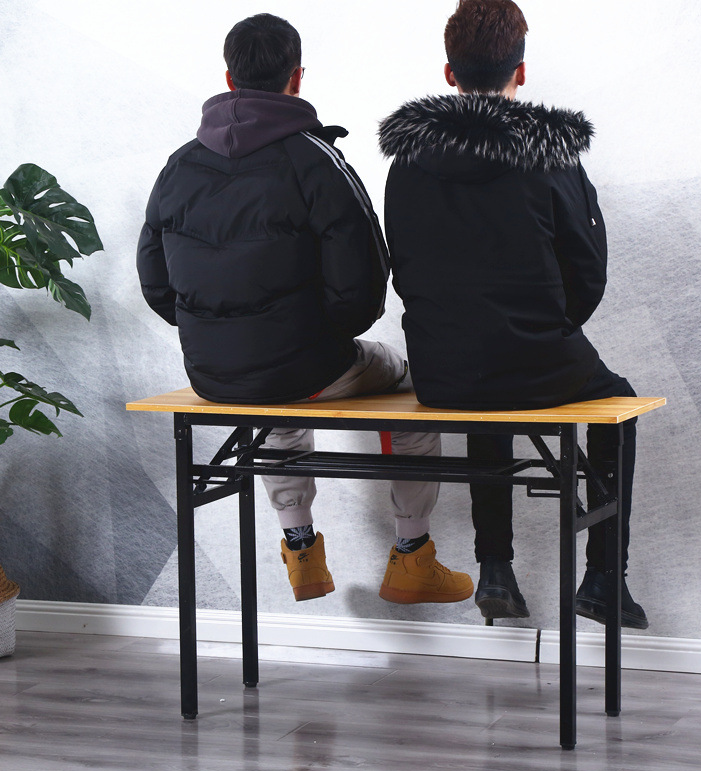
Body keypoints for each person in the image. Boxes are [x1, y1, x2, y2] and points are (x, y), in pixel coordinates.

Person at [136, 12, 472, 607]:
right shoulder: (315, 160)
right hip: (305, 367)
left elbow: (156, 283)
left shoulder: (178, 166)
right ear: (296, 77)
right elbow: (363, 286)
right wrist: (321, 335)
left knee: (278, 404)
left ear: (229, 78)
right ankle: (413, 554)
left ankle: (299, 546)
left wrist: (217, 332)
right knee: (410, 384)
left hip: (211, 374)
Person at [379, 0, 647, 628]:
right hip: (538, 360)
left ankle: (495, 568)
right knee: (619, 404)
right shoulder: (550, 154)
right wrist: (542, 327)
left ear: (450, 74)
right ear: (520, 73)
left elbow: (403, 267)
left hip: (444, 371)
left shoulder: (407, 161)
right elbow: (588, 271)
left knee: (484, 386)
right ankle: (604, 577)